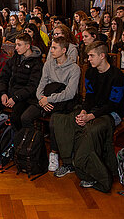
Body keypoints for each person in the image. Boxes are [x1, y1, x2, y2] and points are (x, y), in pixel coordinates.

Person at [53, 41, 124, 192]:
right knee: (62, 120)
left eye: (92, 56)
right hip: (94, 110)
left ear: (102, 56)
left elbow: (113, 105)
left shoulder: (117, 76)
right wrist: (84, 112)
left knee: (91, 130)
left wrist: (91, 116)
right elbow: (90, 97)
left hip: (113, 113)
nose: (89, 59)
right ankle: (69, 162)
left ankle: (98, 174)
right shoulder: (91, 72)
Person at [22, 37, 80, 172]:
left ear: (64, 50)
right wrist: (42, 98)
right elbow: (41, 84)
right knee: (25, 117)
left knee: (54, 123)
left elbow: (70, 93)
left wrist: (49, 99)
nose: (51, 50)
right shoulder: (48, 64)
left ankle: (53, 153)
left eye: (54, 48)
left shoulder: (74, 69)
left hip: (62, 103)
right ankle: (37, 147)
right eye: (51, 47)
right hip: (45, 99)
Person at [0, 33, 43, 153]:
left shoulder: (37, 63)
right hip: (8, 94)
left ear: (28, 46)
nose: (16, 48)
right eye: (16, 45)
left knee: (16, 117)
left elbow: (32, 87)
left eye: (19, 45)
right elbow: (3, 77)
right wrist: (3, 93)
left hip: (24, 98)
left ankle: (17, 144)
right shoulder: (15, 58)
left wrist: (16, 98)